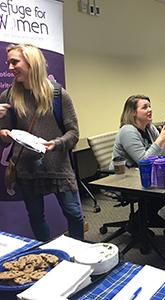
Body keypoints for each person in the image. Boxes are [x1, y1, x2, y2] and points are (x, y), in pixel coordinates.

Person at [0, 44, 84, 241]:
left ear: (32, 63)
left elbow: (73, 133)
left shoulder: (57, 94)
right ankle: (47, 254)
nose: (10, 67)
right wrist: (3, 134)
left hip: (58, 167)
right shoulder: (8, 97)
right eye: (8, 62)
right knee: (36, 217)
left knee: (74, 215)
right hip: (27, 169)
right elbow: (5, 140)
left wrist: (56, 143)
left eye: (15, 62)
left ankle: (79, 253)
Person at [110, 95, 165, 229]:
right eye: (144, 107)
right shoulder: (128, 131)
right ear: (133, 112)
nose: (150, 110)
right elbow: (144, 161)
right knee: (164, 189)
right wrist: (160, 139)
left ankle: (145, 216)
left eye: (150, 106)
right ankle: (137, 222)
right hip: (123, 177)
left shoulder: (149, 128)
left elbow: (164, 154)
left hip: (142, 174)